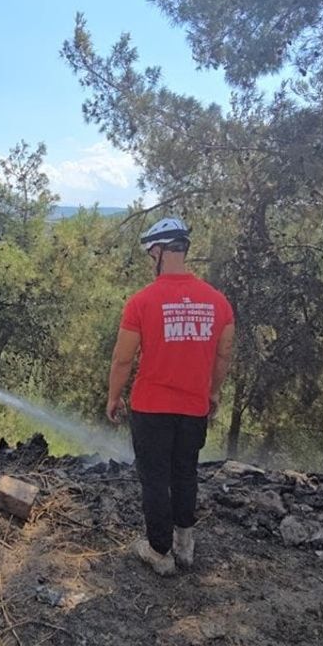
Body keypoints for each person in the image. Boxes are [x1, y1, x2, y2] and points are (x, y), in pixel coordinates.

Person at [106, 218, 235, 576]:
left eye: (151, 253)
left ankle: (158, 551)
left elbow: (122, 358)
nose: (151, 259)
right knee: (185, 473)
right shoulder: (218, 302)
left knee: (154, 479)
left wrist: (114, 397)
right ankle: (185, 545)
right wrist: (212, 392)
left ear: (160, 251)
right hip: (193, 407)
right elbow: (224, 354)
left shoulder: (141, 301)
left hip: (151, 408)